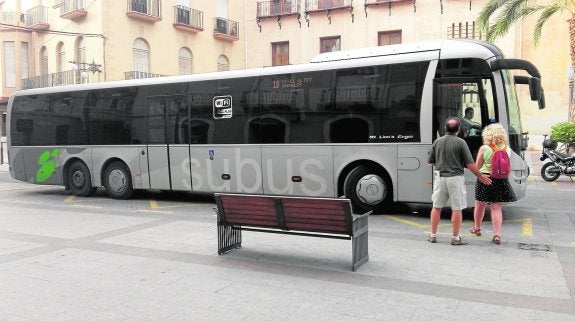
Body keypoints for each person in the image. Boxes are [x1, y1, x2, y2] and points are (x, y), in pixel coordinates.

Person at [427, 117, 491, 245]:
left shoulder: (437, 142)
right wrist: (481, 176)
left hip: (440, 178)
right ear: (459, 129)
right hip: (455, 179)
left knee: (436, 207)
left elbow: (430, 162)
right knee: (457, 208)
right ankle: (455, 238)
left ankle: (433, 235)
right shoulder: (461, 143)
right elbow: (470, 164)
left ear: (445, 128)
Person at [469, 123, 517, 245]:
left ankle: (477, 228)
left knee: (480, 204)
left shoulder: (484, 148)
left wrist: (481, 175)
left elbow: (477, 166)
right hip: (501, 179)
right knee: (496, 207)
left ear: (488, 134)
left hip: (485, 178)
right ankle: (496, 235)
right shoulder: (507, 148)